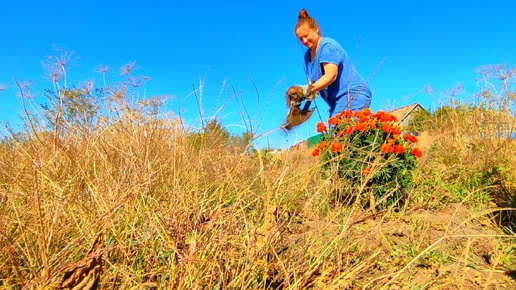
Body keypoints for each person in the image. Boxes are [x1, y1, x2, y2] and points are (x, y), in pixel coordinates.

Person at [294, 8, 372, 117]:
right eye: (301, 39)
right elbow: (313, 88)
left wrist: (304, 90)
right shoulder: (307, 57)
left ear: (315, 29)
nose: (305, 41)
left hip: (353, 94)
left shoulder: (327, 46)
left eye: (306, 35)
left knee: (340, 130)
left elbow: (331, 76)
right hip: (336, 103)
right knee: (336, 130)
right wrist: (300, 106)